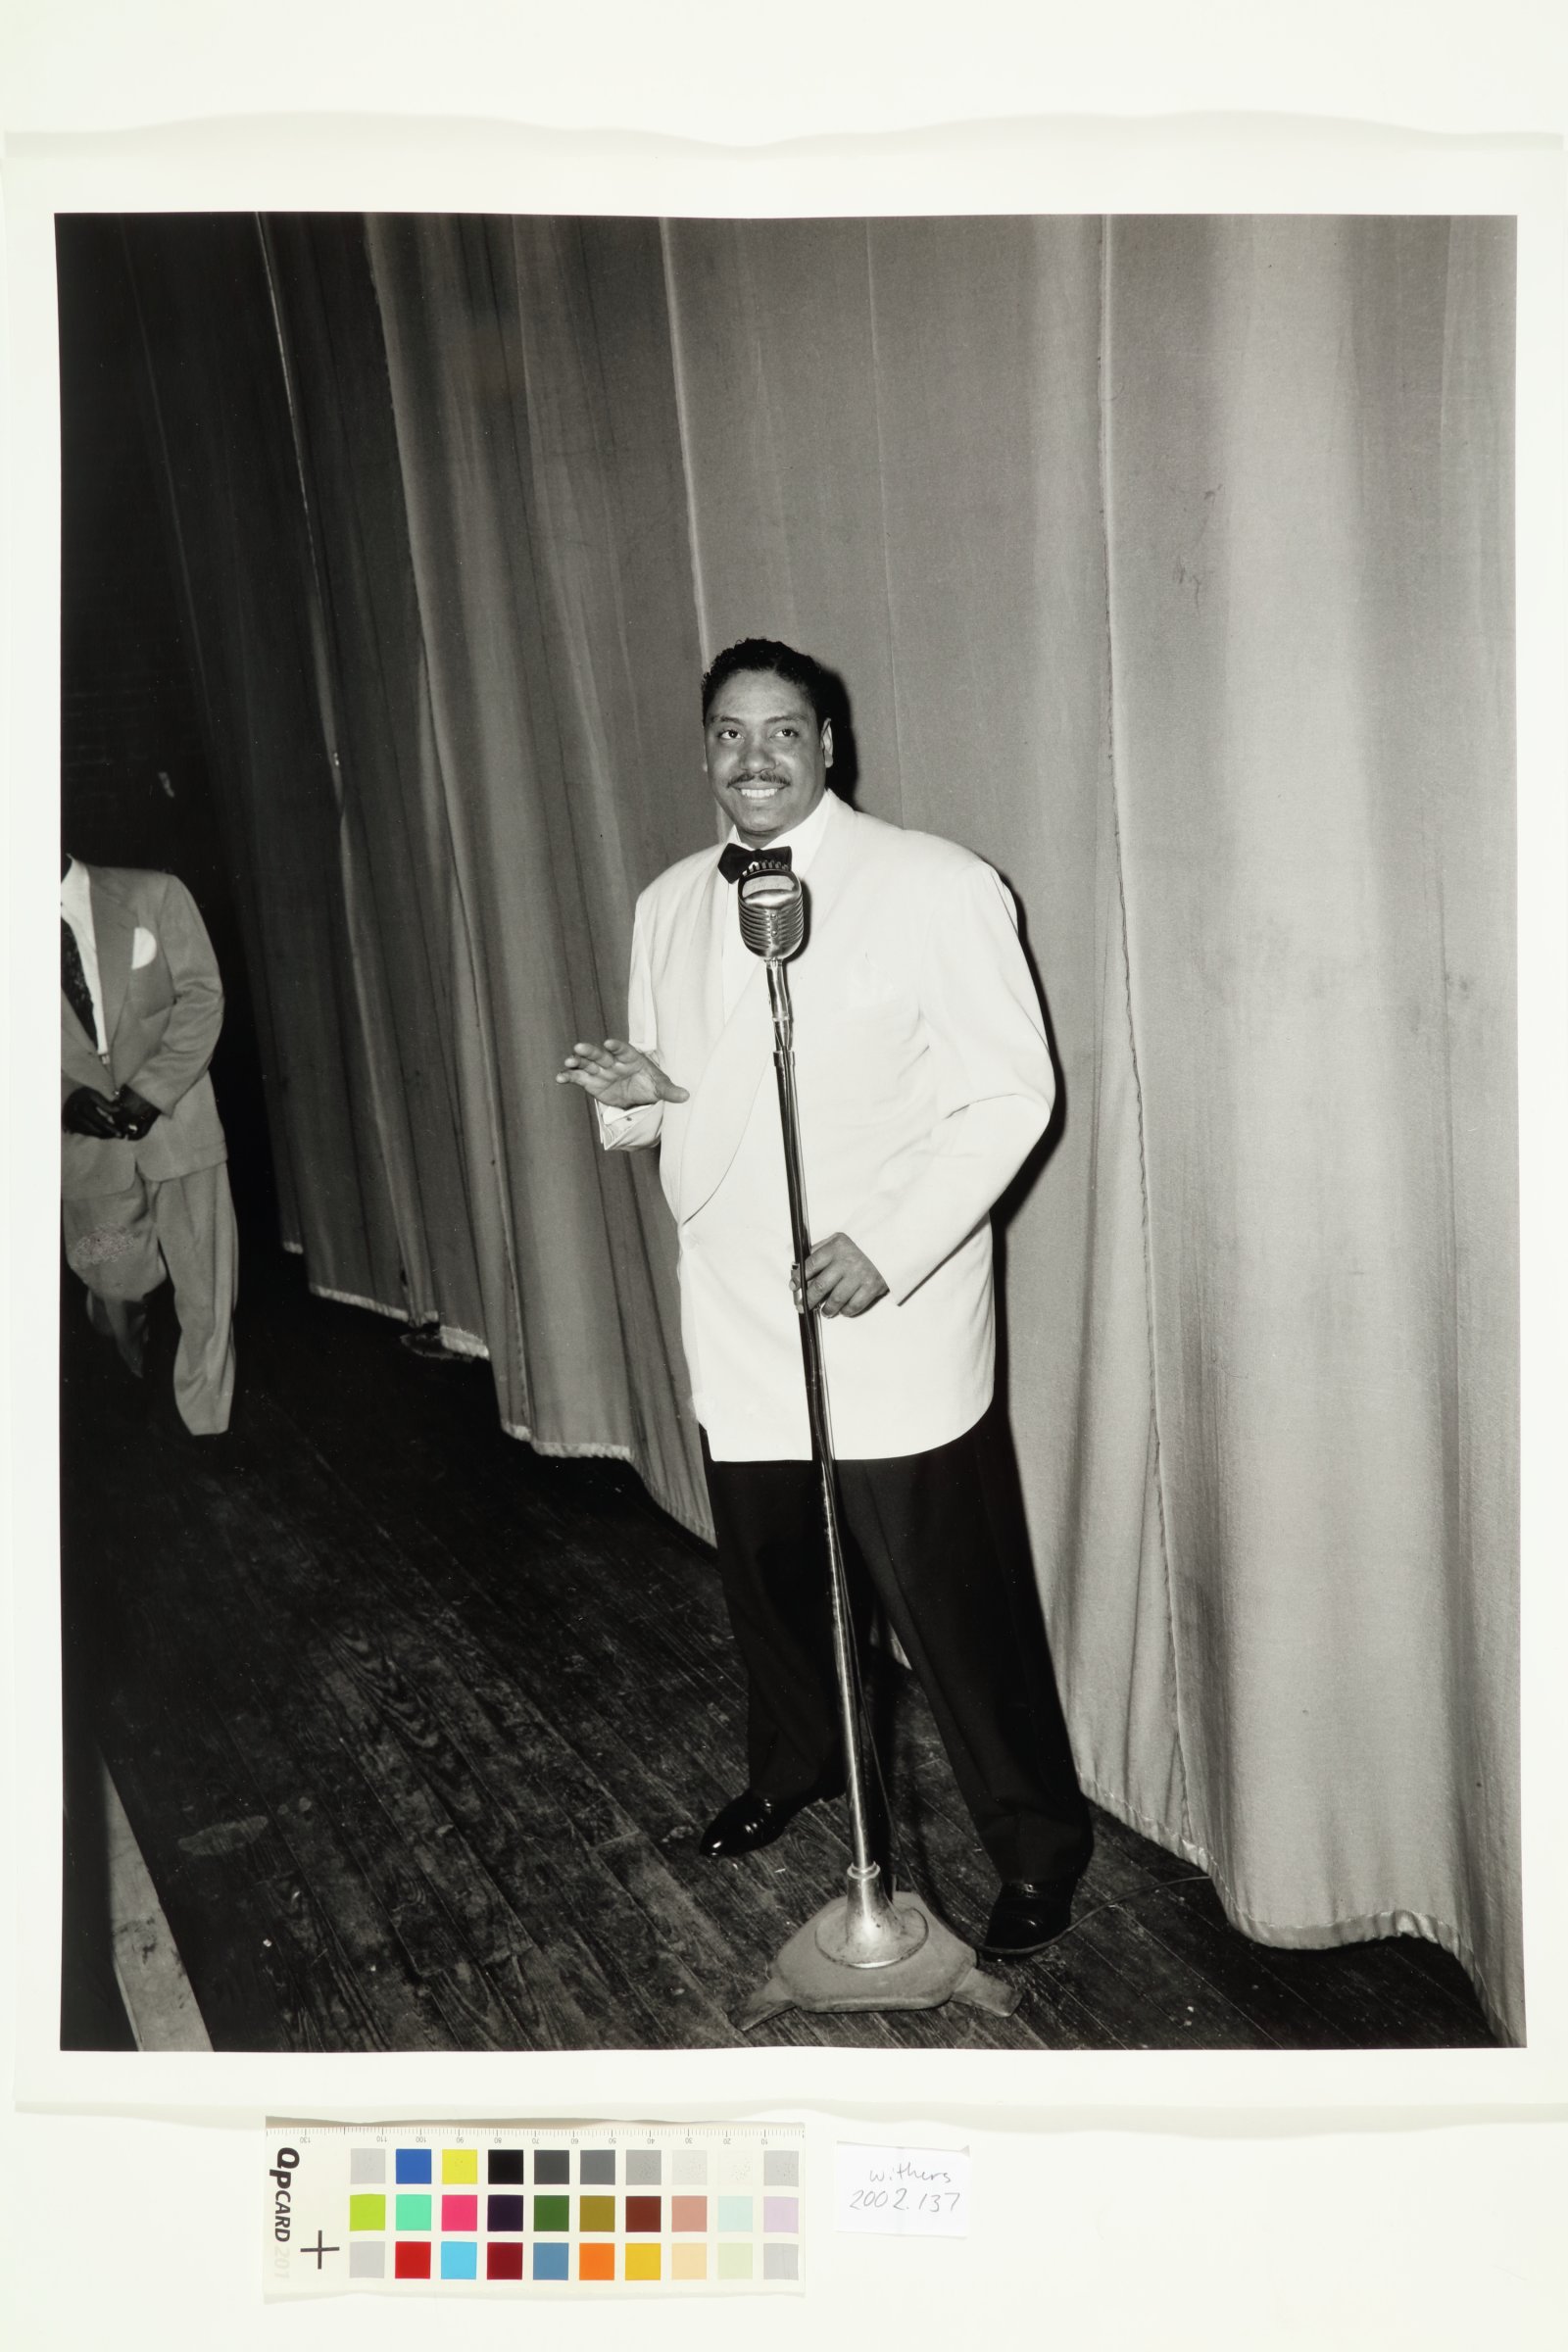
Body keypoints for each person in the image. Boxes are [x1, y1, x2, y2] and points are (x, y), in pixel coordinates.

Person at [558, 639, 1090, 1957]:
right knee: (776, 1580)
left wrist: (893, 1244)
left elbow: (1009, 1095)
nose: (755, 761)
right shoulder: (668, 903)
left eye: (783, 734)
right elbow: (683, 1098)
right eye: (730, 736)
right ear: (703, 752)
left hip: (890, 1314)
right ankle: (797, 1760)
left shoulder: (936, 885)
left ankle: (1035, 1841)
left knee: (950, 1607)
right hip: (739, 1307)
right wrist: (637, 1092)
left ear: (828, 743)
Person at [61, 854, 237, 1437]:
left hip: (179, 1122)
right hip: (86, 1148)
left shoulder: (155, 895)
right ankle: (117, 1323)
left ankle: (207, 1428)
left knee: (206, 1286)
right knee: (114, 1278)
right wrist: (61, 1099)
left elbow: (203, 997)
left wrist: (152, 1089)